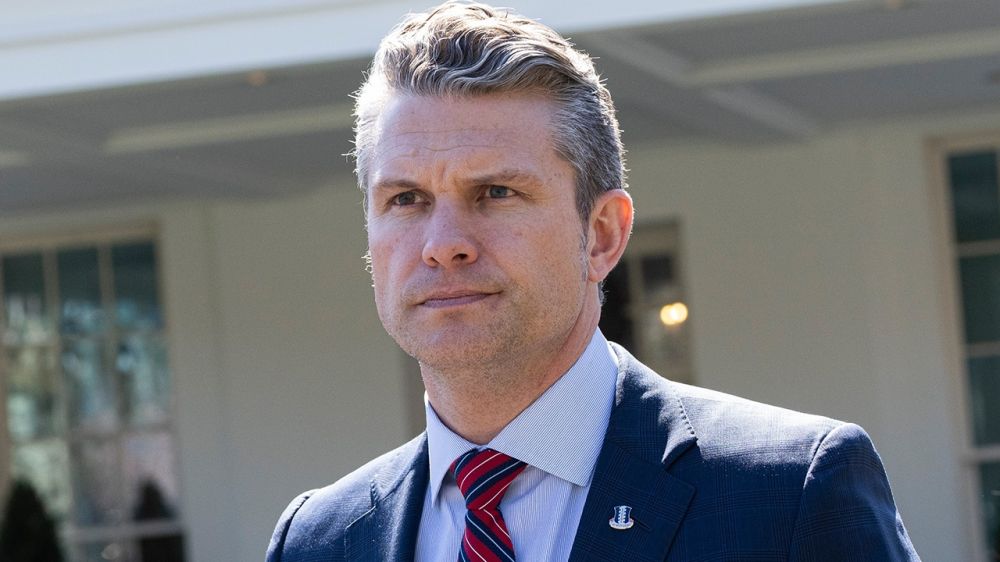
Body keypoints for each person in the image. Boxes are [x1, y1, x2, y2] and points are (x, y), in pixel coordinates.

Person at [267, 2, 920, 560]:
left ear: (603, 234)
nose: (443, 245)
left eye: (496, 192)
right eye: (406, 199)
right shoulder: (319, 541)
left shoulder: (790, 494)